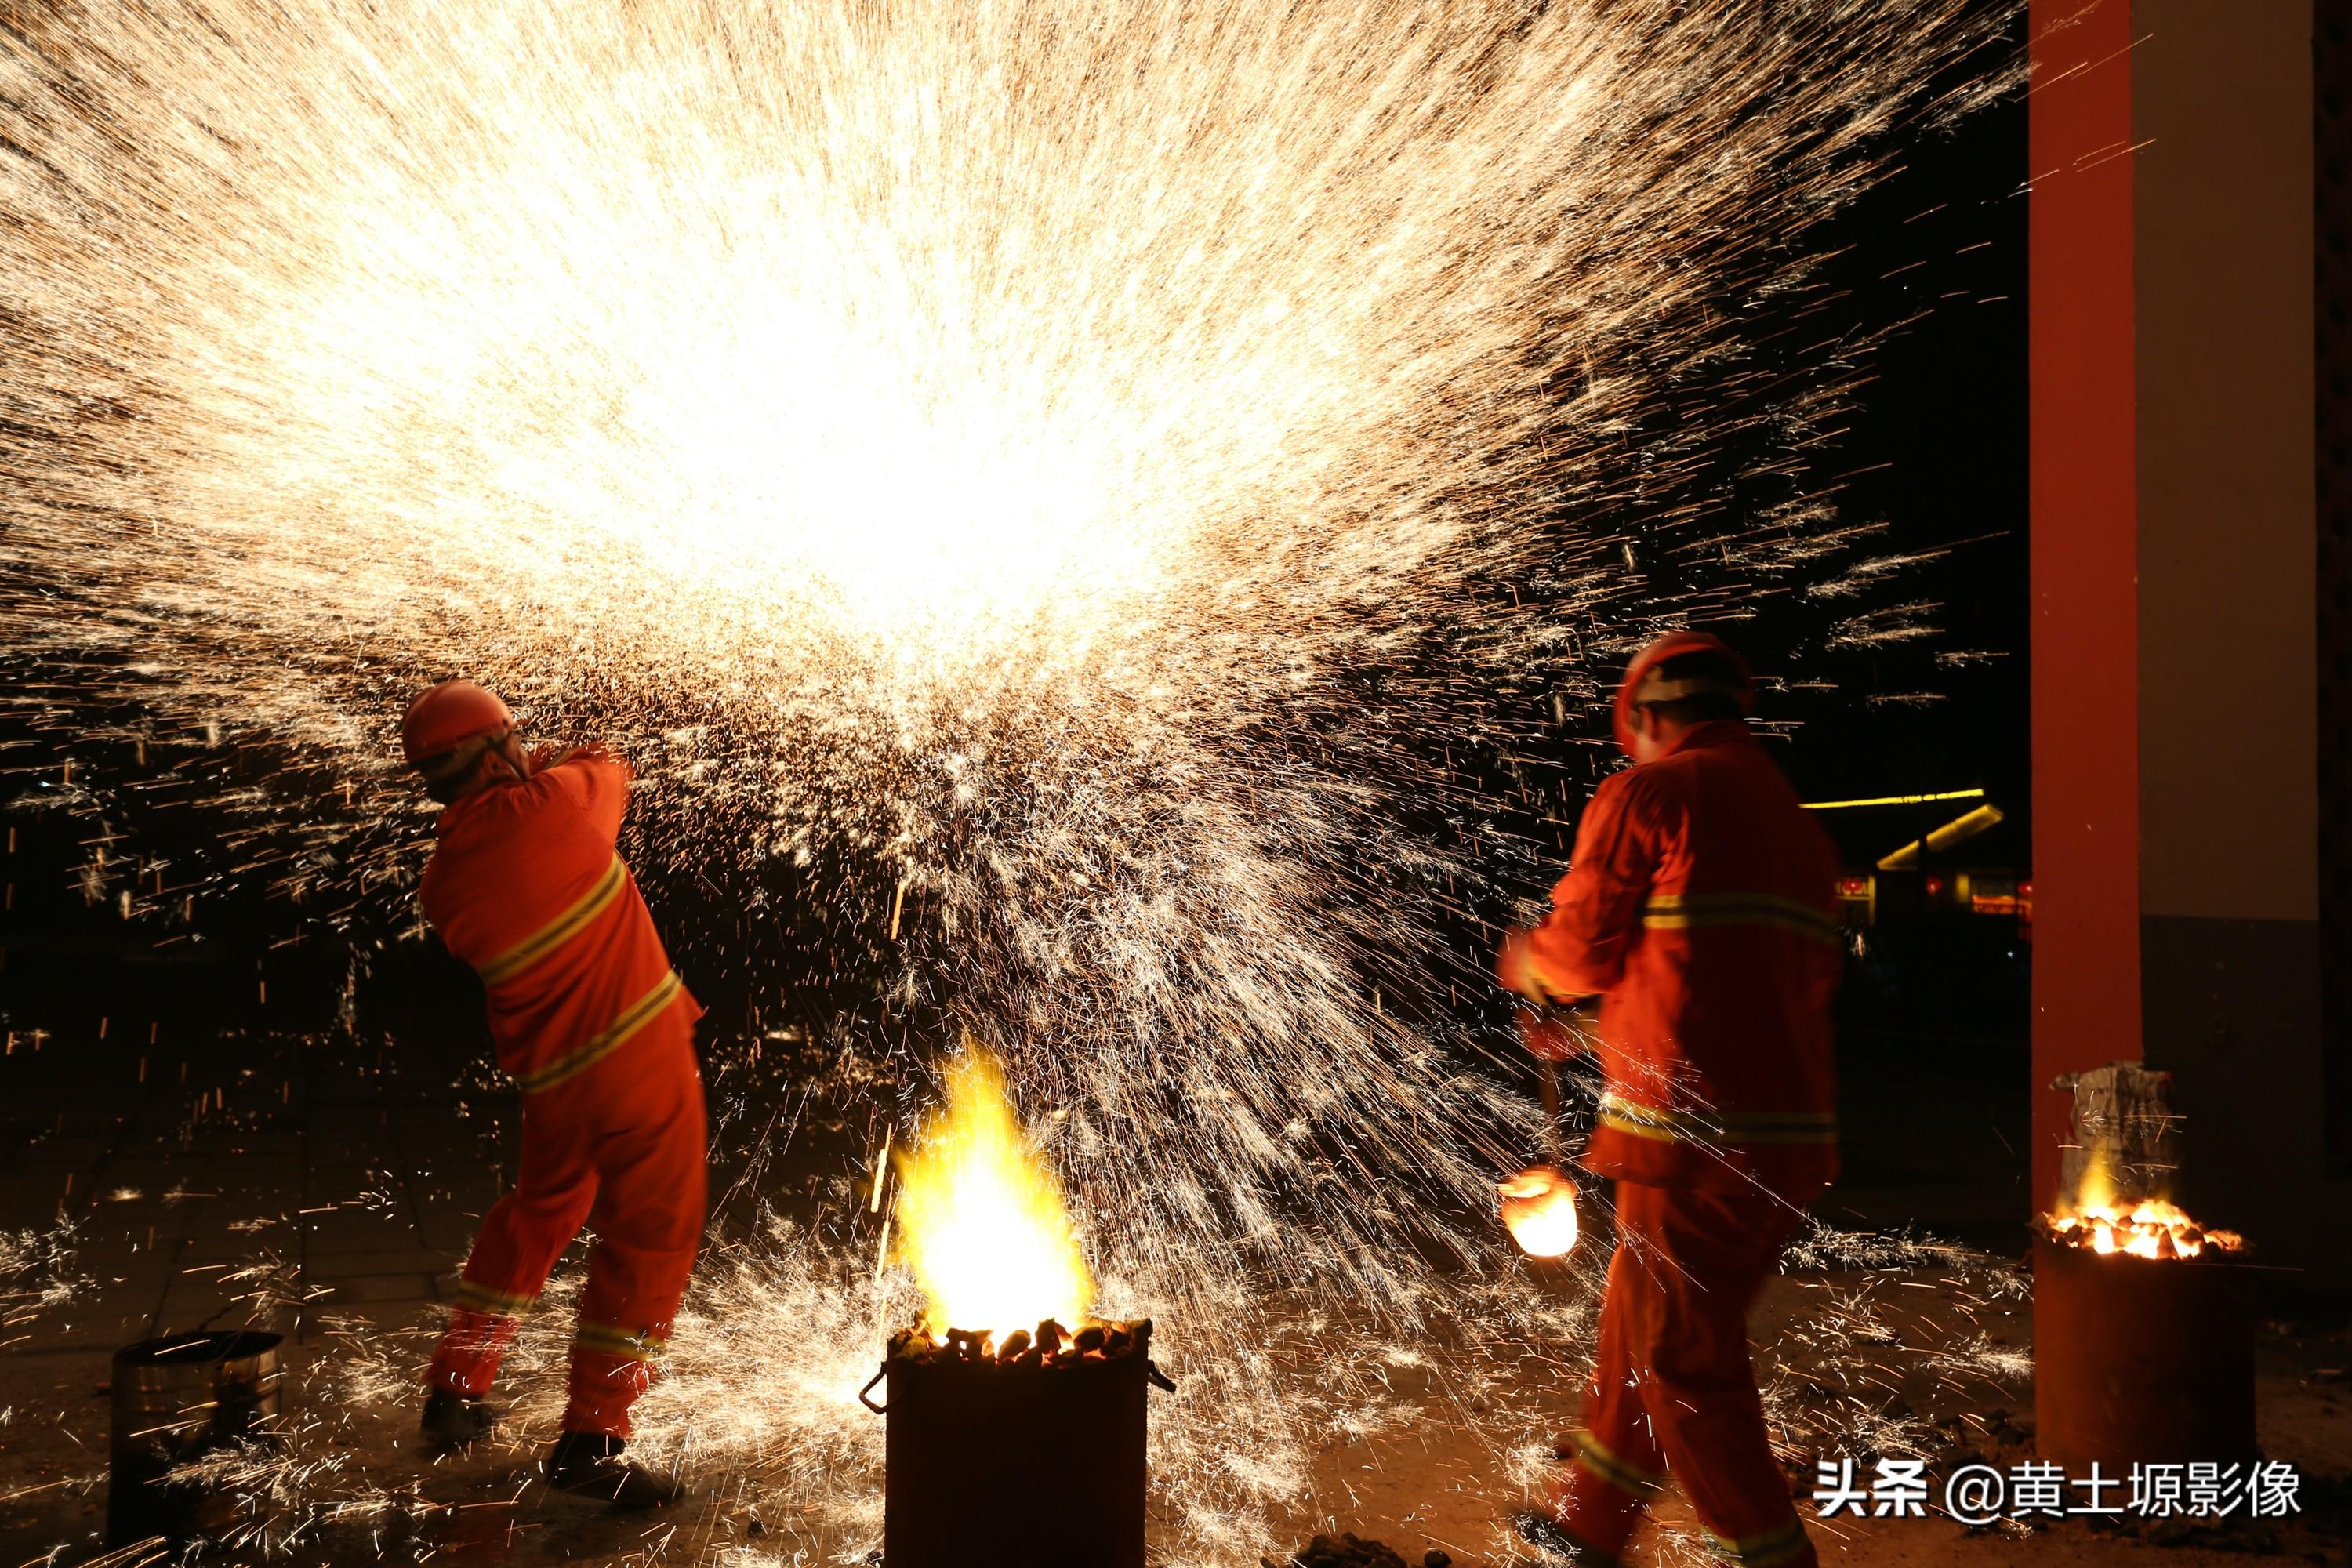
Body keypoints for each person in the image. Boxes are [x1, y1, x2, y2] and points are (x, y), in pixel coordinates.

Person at [1497, 630, 1840, 1568]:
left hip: (1692, 1144)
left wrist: (1527, 956)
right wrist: (1591, 1038)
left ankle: (1771, 1554)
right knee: (1636, 1332)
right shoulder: (1797, 830)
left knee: (1681, 1361)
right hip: (1783, 1143)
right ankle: (1590, 1528)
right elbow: (1726, 991)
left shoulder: (1651, 792)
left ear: (1645, 717)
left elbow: (1581, 952)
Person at [400, 678, 707, 1509]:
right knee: (652, 1235)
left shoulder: (447, 877)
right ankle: (595, 1438)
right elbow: (608, 761)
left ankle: (457, 1382)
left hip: (556, 1081)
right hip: (638, 1065)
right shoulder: (554, 809)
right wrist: (539, 748)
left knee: (539, 1212)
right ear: (499, 749)